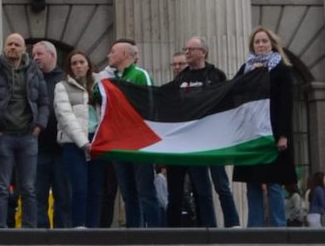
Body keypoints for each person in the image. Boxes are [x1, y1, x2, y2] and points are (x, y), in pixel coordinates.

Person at [0, 33, 48, 229]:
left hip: (28, 136)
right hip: (3, 136)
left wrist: (39, 127)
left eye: (17, 44)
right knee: (1, 186)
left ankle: (29, 229)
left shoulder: (35, 72)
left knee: (29, 187)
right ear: (4, 47)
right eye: (9, 44)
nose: (13, 47)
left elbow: (43, 102)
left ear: (24, 49)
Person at [233, 26, 297, 227]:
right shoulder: (245, 69)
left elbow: (286, 103)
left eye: (264, 41)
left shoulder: (282, 70)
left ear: (272, 44)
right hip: (250, 135)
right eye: (257, 42)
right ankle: (254, 227)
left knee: (274, 183)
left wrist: (283, 135)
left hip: (273, 133)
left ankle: (279, 227)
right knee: (251, 183)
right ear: (252, 46)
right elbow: (232, 92)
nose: (260, 45)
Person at [101, 39, 162, 228]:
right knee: (128, 192)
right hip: (120, 143)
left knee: (145, 190)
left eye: (113, 51)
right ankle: (134, 231)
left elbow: (151, 104)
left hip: (139, 143)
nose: (109, 55)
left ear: (124, 55)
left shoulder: (139, 75)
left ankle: (155, 232)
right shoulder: (114, 79)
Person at [168, 36, 224, 227]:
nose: (187, 53)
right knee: (174, 192)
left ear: (203, 52)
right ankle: (171, 231)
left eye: (191, 49)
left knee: (203, 190)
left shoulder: (215, 75)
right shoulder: (180, 78)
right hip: (178, 142)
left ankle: (208, 229)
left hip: (201, 142)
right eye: (186, 49)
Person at [55, 49, 103, 229]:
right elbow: (65, 116)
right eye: (74, 63)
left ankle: (93, 227)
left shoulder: (100, 85)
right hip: (74, 143)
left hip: (97, 139)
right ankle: (78, 226)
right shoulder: (62, 87)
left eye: (81, 62)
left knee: (96, 189)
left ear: (88, 65)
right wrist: (83, 143)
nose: (78, 66)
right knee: (79, 188)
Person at [31, 41, 69, 229]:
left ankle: (63, 233)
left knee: (64, 196)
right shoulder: (31, 79)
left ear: (52, 55)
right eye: (33, 54)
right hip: (38, 148)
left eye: (39, 54)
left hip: (62, 150)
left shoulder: (65, 80)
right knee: (38, 196)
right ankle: (40, 234)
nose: (35, 58)